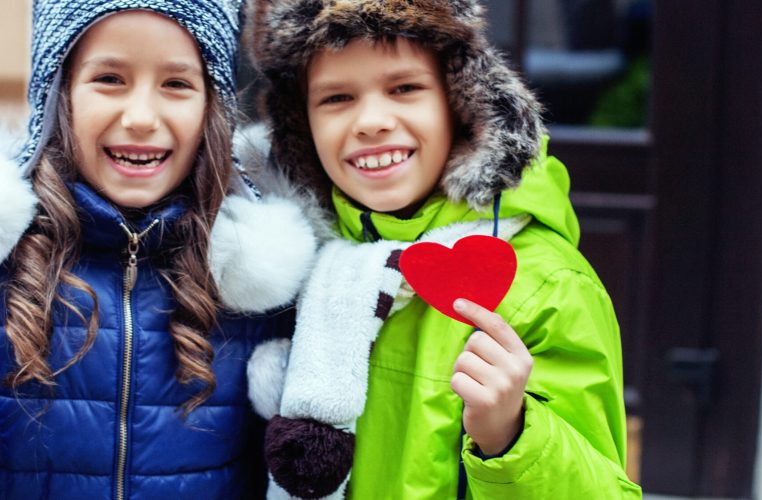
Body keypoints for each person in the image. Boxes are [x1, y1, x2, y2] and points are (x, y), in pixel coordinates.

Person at [0, 1, 317, 498]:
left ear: (212, 107)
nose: (141, 116)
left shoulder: (259, 287)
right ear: (59, 95)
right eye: (110, 79)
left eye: (177, 84)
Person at [242, 0, 643, 498]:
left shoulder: (547, 284)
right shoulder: (291, 264)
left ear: (460, 103)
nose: (371, 121)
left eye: (404, 89)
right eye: (337, 98)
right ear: (302, 126)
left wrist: (511, 434)